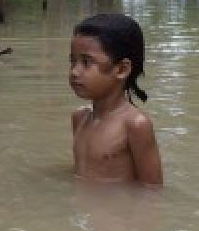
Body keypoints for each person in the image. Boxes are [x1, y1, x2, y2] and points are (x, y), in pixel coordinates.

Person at [69, 14, 163, 186]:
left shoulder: (135, 125)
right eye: (72, 61)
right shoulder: (79, 118)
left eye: (86, 62)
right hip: (83, 210)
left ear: (121, 69)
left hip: (116, 213)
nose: (74, 71)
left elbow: (152, 192)